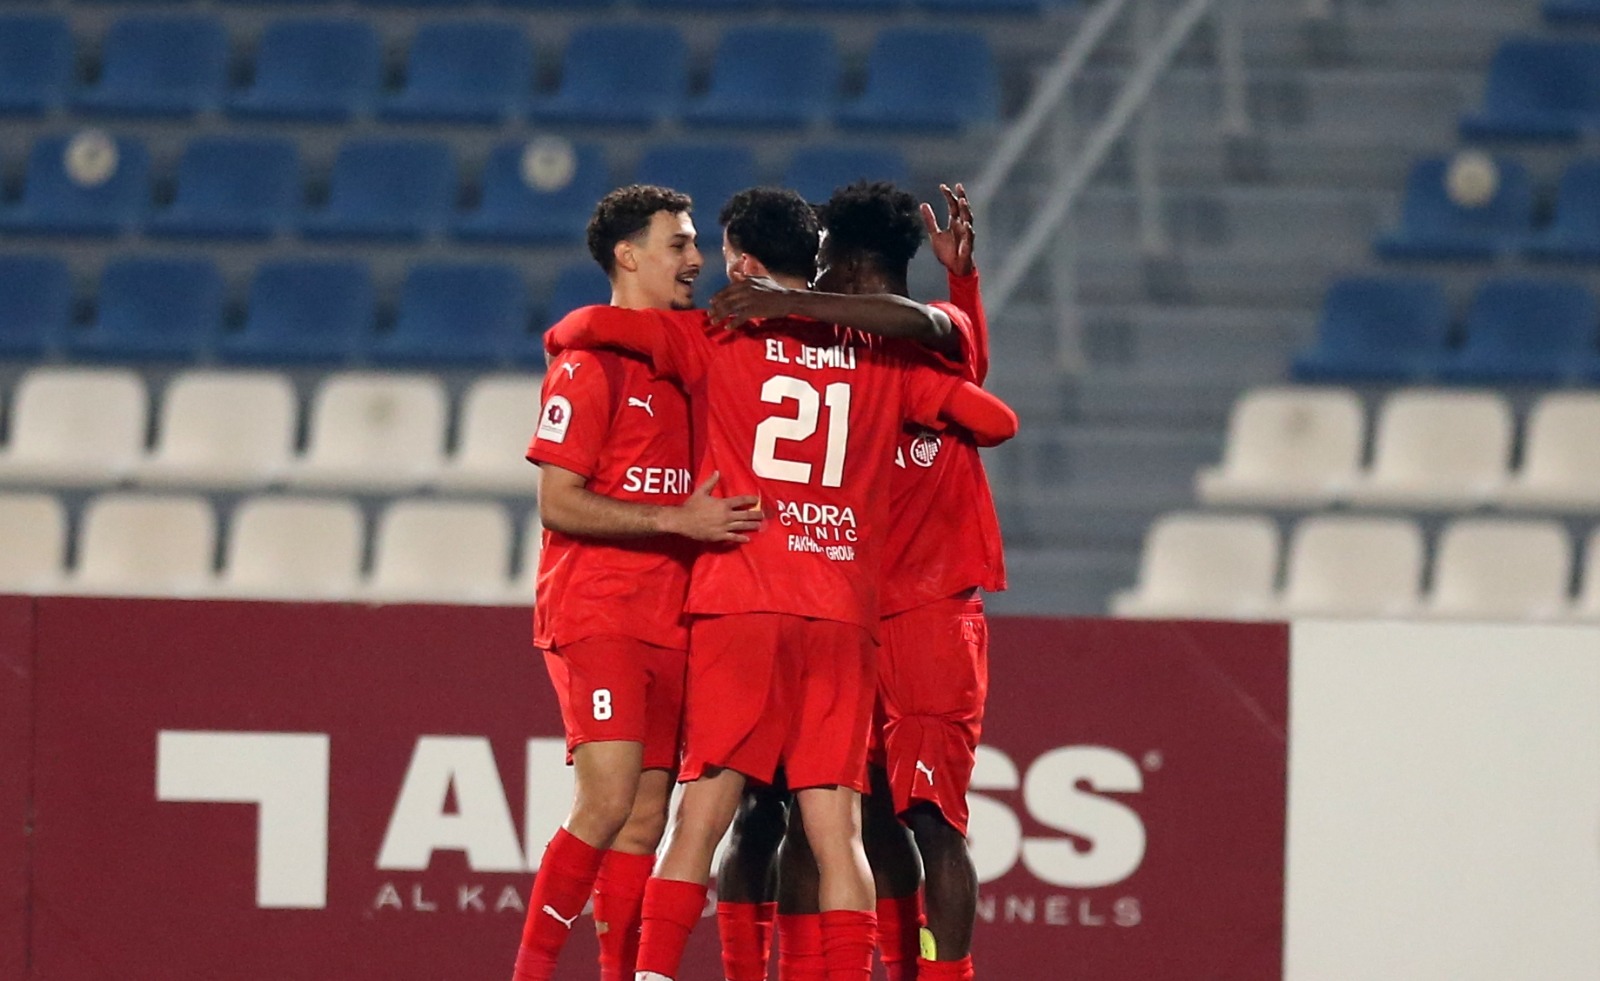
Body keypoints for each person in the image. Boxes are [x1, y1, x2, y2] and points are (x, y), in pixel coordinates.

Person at [542, 187, 1019, 981]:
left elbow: (610, 329)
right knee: (833, 825)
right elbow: (993, 413)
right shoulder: (884, 359)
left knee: (722, 816)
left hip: (782, 599)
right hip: (847, 608)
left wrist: (562, 333)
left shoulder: (733, 333)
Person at [709, 181, 1003, 981]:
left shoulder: (934, 338)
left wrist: (958, 285)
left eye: (826, 259)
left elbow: (949, 344)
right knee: (844, 818)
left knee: (933, 822)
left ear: (847, 262)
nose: (817, 273)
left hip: (930, 612)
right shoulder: (839, 349)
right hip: (842, 610)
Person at [510, 184, 763, 981]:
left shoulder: (697, 350)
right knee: (609, 799)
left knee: (646, 819)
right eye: (677, 243)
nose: (695, 258)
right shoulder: (588, 366)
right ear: (628, 255)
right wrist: (674, 520)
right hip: (601, 607)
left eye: (695, 243)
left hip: (678, 614)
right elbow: (558, 501)